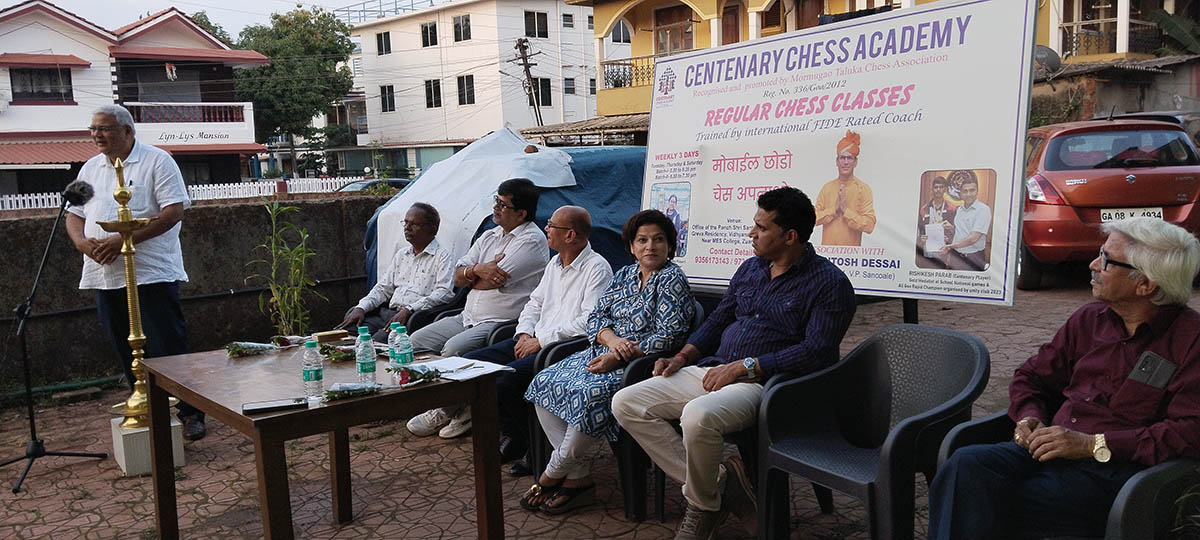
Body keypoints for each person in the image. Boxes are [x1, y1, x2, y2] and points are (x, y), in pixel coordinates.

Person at [927, 217, 1200, 540]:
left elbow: (1188, 432)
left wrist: (1091, 445)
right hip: (1049, 450)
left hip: (1116, 471)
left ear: (1146, 284)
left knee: (997, 501)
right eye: (1100, 252)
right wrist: (1030, 418)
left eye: (1107, 260)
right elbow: (1031, 376)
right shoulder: (1089, 320)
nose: (1094, 264)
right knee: (964, 467)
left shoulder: (1190, 340)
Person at [612, 187, 857, 540]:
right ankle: (722, 486)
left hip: (769, 386)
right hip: (714, 369)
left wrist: (746, 366)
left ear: (789, 236)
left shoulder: (829, 284)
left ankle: (702, 508)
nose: (751, 233)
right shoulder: (751, 269)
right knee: (628, 402)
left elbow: (815, 351)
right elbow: (718, 320)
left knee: (698, 416)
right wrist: (682, 356)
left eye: (760, 228)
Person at [519, 210, 695, 515]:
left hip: (639, 365)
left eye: (659, 240)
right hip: (605, 350)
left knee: (590, 396)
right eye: (642, 240)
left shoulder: (671, 279)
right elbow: (597, 317)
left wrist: (618, 356)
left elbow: (669, 335)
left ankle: (552, 474)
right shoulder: (625, 274)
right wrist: (611, 341)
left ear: (671, 245)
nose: (650, 246)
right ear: (631, 246)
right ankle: (577, 478)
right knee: (544, 382)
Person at [64, 104, 207, 441]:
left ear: (127, 131)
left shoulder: (157, 160)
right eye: (94, 129)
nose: (97, 135)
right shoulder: (90, 168)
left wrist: (124, 239)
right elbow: (73, 213)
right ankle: (145, 406)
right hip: (105, 273)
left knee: (166, 343)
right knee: (122, 344)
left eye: (105, 128)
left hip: (149, 270)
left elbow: (173, 212)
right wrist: (83, 243)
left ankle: (190, 412)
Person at [461, 206, 613, 475]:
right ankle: (516, 435)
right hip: (534, 339)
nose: (546, 229)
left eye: (552, 225)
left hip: (563, 348)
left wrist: (540, 340)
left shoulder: (597, 268)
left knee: (506, 380)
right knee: (473, 365)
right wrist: (524, 333)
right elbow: (534, 303)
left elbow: (590, 322)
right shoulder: (555, 264)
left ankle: (535, 446)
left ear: (570, 235)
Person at [406, 178, 549, 439]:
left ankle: (449, 410)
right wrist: (478, 270)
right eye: (496, 201)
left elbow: (486, 284)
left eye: (503, 205)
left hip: (499, 321)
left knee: (454, 349)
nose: (495, 208)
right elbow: (458, 278)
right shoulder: (490, 235)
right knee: (415, 341)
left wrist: (473, 274)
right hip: (467, 315)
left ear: (521, 213)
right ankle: (450, 403)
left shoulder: (531, 240)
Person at [338, 203, 454, 342]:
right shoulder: (402, 254)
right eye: (405, 222)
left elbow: (444, 293)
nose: (407, 228)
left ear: (432, 229)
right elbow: (383, 288)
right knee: (346, 333)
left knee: (373, 344)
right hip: (387, 312)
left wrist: (409, 309)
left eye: (414, 224)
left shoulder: (442, 256)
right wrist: (361, 307)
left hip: (412, 318)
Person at [814, 130, 876, 246]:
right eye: (842, 158)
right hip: (828, 254)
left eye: (849, 158)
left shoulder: (863, 189)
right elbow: (813, 218)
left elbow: (869, 225)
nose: (846, 162)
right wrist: (834, 210)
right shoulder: (827, 188)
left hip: (851, 257)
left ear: (855, 162)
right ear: (837, 161)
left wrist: (846, 211)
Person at [938, 171, 991, 271]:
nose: (968, 194)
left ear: (977, 191)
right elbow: (962, 232)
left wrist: (949, 246)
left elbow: (974, 238)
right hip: (956, 257)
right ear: (960, 194)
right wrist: (951, 228)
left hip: (974, 258)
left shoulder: (983, 210)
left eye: (972, 190)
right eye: (965, 191)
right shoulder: (959, 209)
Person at [917, 176, 957, 267]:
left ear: (945, 190)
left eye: (941, 187)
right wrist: (921, 239)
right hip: (928, 251)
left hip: (945, 251)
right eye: (936, 187)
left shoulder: (952, 208)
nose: (938, 189)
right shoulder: (923, 209)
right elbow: (920, 230)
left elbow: (957, 231)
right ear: (932, 189)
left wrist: (949, 239)